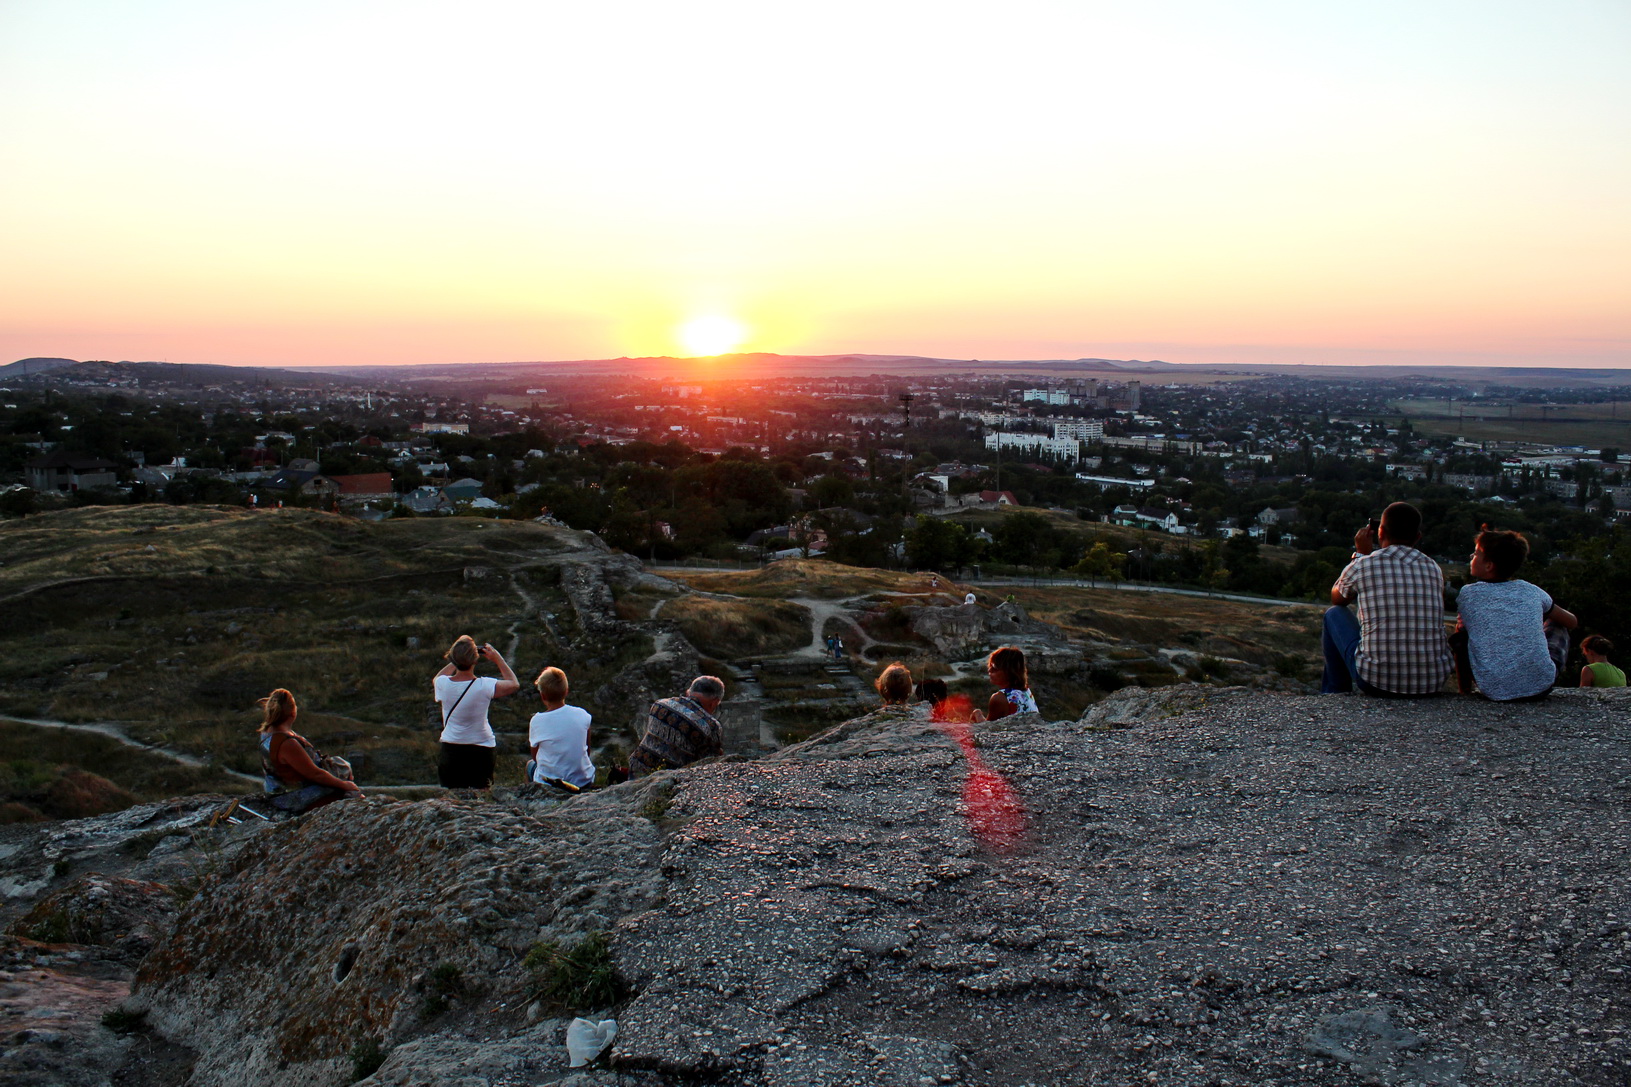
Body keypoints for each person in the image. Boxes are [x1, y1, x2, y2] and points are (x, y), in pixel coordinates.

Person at [1321, 502, 1452, 697]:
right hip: (1431, 682)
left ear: (1380, 532)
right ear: (1418, 537)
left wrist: (1359, 555)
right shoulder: (1433, 567)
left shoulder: (1364, 564)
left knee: (1333, 614)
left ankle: (1336, 692)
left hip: (1376, 681)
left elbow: (1337, 598)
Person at [1449, 527, 1576, 701]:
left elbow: (1461, 641)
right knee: (1557, 622)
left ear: (1489, 565)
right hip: (1541, 687)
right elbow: (1571, 622)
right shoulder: (1531, 590)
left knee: (1461, 636)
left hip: (1492, 689)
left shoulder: (1469, 594)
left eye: (1476, 553)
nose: (1472, 556)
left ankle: (1464, 690)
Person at [433, 635, 519, 788]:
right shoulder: (484, 685)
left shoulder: (442, 684)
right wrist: (498, 659)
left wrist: (456, 658)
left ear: (452, 658)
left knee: (453, 798)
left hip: (452, 748)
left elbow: (439, 676)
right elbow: (513, 684)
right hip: (481, 748)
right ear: (475, 660)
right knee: (481, 796)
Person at [257, 688, 361, 813]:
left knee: (341, 766)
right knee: (349, 793)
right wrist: (344, 785)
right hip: (292, 796)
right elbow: (315, 774)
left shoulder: (268, 732)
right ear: (292, 712)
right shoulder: (286, 743)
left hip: (279, 791)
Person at [628, 675, 726, 779]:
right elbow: (709, 763)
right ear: (714, 702)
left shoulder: (661, 704)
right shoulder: (711, 725)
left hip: (638, 767)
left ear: (688, 692)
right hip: (670, 778)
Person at [525, 666, 595, 789]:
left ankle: (531, 797)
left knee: (530, 765)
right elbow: (587, 749)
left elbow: (535, 757)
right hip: (583, 780)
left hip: (551, 783)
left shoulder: (537, 721)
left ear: (543, 696)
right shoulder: (582, 714)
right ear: (566, 691)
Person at [981, 646, 1038, 721]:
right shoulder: (1026, 693)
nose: (989, 670)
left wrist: (978, 714)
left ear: (1009, 671)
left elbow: (987, 728)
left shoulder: (999, 698)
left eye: (995, 668)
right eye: (990, 666)